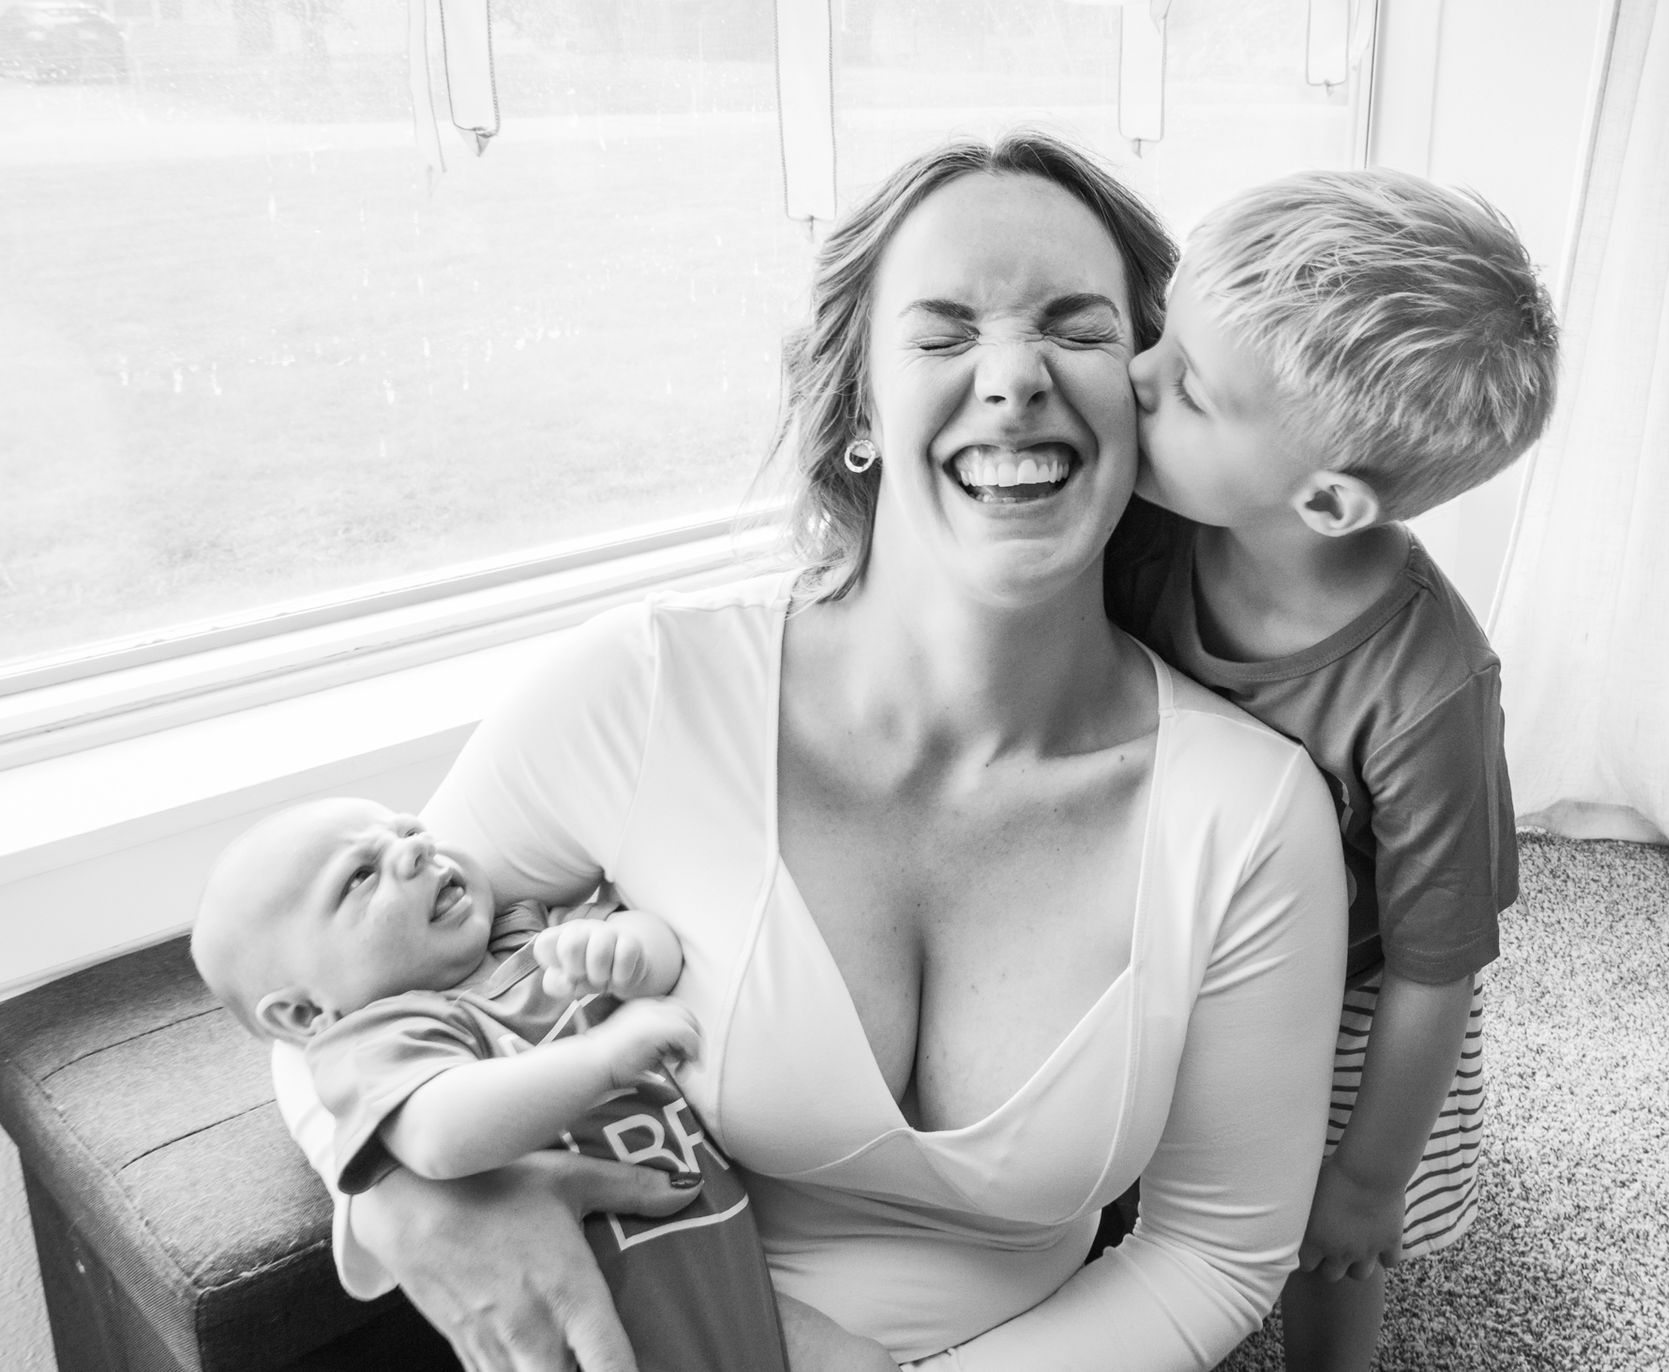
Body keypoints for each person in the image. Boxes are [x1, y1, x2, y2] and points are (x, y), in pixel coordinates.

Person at [270, 130, 1350, 1372]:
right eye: (942, 335)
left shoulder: (1248, 812)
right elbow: (319, 992)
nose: (1014, 377)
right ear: (858, 411)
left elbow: (1214, 1251)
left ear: (1151, 394)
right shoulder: (645, 689)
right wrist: (398, 1188)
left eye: (1080, 328)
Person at [1107, 168, 1560, 1372]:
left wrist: (1367, 1180)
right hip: (1177, 937)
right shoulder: (1143, 534)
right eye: (1161, 335)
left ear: (1325, 500)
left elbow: (1433, 962)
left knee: (1331, 1251)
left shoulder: (1430, 690)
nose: (1135, 375)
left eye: (1187, 385)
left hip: (1351, 995)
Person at [191, 797, 792, 1372]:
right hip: (613, 1326)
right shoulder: (378, 1041)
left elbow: (664, 954)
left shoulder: (528, 934)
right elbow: (440, 1136)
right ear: (303, 1014)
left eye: (408, 830)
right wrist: (601, 1059)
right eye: (361, 876)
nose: (416, 851)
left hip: (746, 1287)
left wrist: (628, 949)